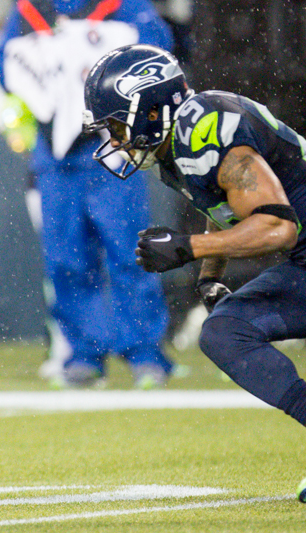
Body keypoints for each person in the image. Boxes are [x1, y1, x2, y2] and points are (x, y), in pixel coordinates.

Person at [82, 43, 306, 500]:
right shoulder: (182, 138)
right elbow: (223, 203)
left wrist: (188, 248)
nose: (116, 139)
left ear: (148, 110)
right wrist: (209, 273)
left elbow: (277, 225)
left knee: (227, 332)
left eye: (118, 124)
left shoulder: (206, 128)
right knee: (226, 331)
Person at [0, 0, 177, 388]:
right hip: (54, 155)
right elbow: (2, 65)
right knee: (65, 259)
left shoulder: (123, 5)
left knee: (132, 254)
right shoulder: (29, 7)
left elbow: (158, 51)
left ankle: (145, 354)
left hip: (114, 148)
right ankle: (84, 354)